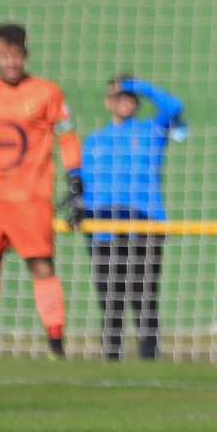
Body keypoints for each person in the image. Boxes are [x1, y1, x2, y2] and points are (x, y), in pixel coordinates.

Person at [0, 24, 84, 359]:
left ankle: (56, 347)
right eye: (5, 55)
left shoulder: (47, 92)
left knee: (41, 267)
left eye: (17, 55)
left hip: (31, 200)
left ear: (25, 55)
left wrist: (76, 180)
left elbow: (66, 136)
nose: (11, 62)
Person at [81, 75, 187, 360]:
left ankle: (149, 357)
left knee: (144, 296)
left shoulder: (151, 130)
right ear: (108, 102)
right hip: (104, 230)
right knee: (110, 298)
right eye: (119, 95)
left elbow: (175, 106)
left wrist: (137, 85)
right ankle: (111, 357)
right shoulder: (94, 141)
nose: (126, 100)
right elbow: (86, 184)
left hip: (145, 225)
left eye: (130, 97)